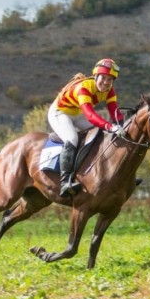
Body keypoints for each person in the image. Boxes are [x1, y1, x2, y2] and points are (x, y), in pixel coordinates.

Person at [48, 58, 126, 197]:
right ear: (96, 76)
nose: (106, 82)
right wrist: (110, 126)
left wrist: (122, 126)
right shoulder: (83, 88)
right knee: (72, 138)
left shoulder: (110, 90)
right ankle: (65, 182)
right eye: (103, 78)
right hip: (60, 113)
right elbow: (90, 115)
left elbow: (115, 111)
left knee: (101, 133)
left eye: (110, 79)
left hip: (77, 113)